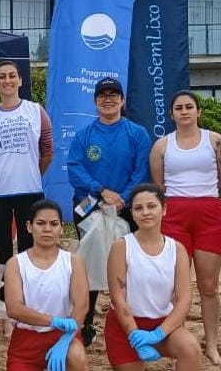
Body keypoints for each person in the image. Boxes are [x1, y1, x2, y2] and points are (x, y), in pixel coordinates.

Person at [67, 76, 152, 346]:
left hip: (125, 207)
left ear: (122, 100)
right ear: (95, 101)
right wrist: (100, 191)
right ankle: (87, 321)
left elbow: (141, 170)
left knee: (129, 265)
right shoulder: (84, 135)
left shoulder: (137, 133)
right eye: (102, 95)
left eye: (113, 94)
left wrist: (122, 198)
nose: (108, 99)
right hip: (89, 204)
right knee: (89, 263)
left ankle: (130, 320)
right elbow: (74, 168)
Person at [148, 90, 221, 364]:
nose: (184, 112)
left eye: (189, 107)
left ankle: (213, 344)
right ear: (171, 114)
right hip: (175, 215)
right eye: (179, 108)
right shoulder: (162, 145)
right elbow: (159, 185)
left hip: (209, 214)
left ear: (198, 111)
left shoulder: (216, 141)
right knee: (175, 286)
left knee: (209, 286)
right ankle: (177, 340)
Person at [104, 183, 201, 370]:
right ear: (131, 213)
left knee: (191, 349)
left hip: (163, 324)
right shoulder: (121, 247)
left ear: (163, 209)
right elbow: (118, 299)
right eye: (138, 208)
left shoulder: (177, 250)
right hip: (125, 326)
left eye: (151, 206)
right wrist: (134, 334)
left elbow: (184, 300)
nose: (145, 212)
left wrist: (158, 334)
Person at [0, 60, 54, 267]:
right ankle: (3, 296)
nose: (7, 80)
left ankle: (29, 294)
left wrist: (32, 172)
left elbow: (47, 151)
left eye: (12, 75)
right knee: (1, 251)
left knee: (30, 249)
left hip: (30, 189)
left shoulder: (36, 111)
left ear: (20, 80)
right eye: (1, 76)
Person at [4, 200, 89, 371]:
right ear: (29, 226)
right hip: (26, 341)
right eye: (41, 223)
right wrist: (53, 321)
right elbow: (14, 308)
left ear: (62, 228)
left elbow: (82, 305)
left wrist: (67, 337)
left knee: (77, 356)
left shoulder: (73, 261)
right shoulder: (16, 263)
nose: (47, 229)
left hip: (64, 335)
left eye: (54, 224)